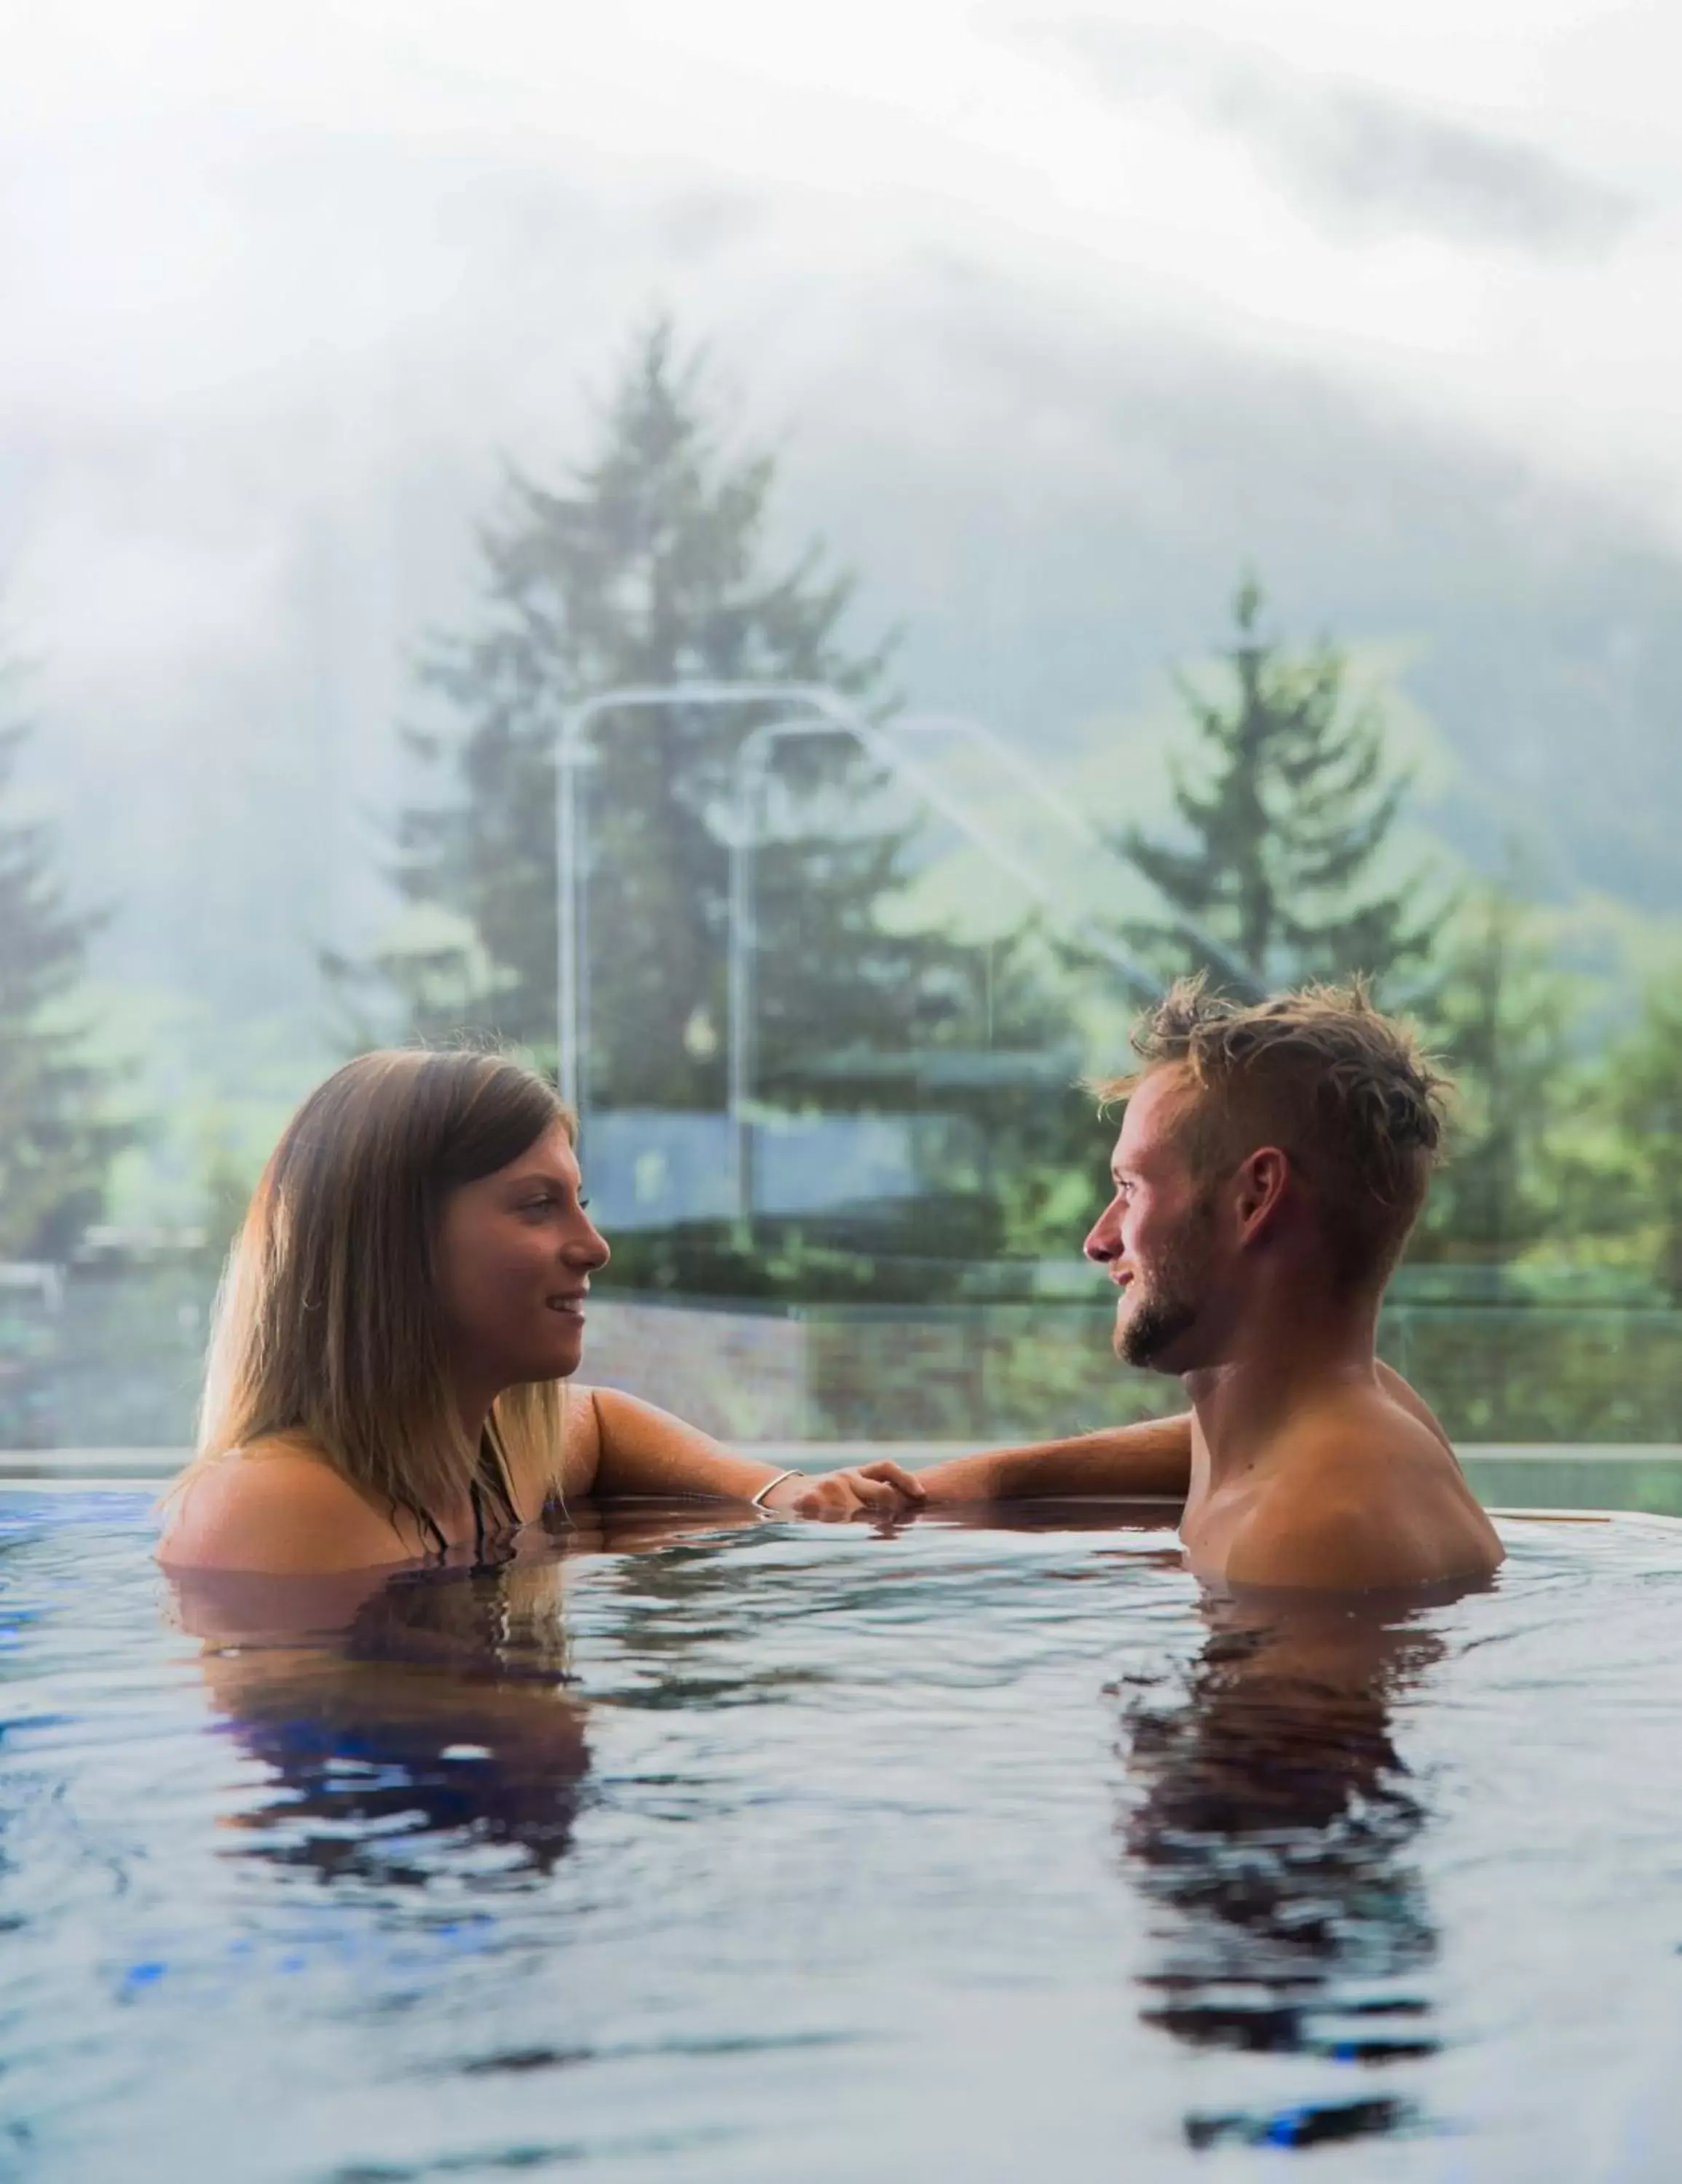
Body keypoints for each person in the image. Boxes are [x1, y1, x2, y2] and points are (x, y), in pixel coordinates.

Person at [157, 1049, 923, 1575]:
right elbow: (279, 1802)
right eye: (537, 1207)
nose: (593, 1248)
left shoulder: (490, 1461)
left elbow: (602, 1424)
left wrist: (773, 1489)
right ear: (394, 1244)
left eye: (578, 1204)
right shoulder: (274, 1507)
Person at [917, 979, 1504, 1591]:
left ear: (1254, 1198)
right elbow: (1197, 1448)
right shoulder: (1335, 1409)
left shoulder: (1312, 1536)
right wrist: (948, 1489)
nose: (1099, 1240)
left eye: (1130, 1188)